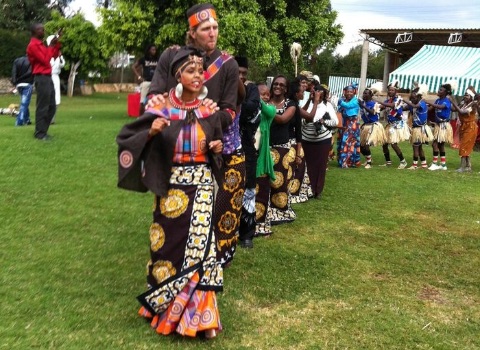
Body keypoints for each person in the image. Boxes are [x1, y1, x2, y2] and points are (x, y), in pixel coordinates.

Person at [116, 47, 231, 339]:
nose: (197, 76)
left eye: (200, 70)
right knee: (165, 249)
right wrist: (151, 132)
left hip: (203, 186)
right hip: (170, 188)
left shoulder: (210, 110)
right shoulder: (162, 106)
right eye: (190, 71)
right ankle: (165, 310)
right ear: (177, 74)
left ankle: (199, 320)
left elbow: (219, 149)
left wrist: (216, 149)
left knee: (202, 251)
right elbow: (127, 138)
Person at [146, 3, 242, 268]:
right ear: (192, 32)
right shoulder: (172, 56)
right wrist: (170, 114)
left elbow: (230, 112)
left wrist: (205, 120)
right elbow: (154, 96)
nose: (212, 33)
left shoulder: (228, 64)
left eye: (215, 27)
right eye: (205, 29)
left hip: (203, 153)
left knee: (200, 221)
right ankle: (166, 272)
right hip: (171, 151)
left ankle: (196, 275)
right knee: (167, 219)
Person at [236, 56, 260, 249]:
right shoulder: (221, 86)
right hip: (225, 147)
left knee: (248, 189)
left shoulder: (251, 89)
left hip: (245, 146)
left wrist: (233, 106)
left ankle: (247, 234)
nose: (241, 76)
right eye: (237, 72)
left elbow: (252, 109)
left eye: (244, 73)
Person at [301, 84, 338, 199]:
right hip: (306, 139)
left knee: (320, 166)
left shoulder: (328, 106)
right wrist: (309, 121)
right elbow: (300, 121)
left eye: (320, 96)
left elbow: (335, 122)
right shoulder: (305, 105)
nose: (318, 97)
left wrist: (324, 122)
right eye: (316, 94)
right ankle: (308, 189)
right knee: (307, 165)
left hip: (323, 140)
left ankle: (317, 190)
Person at [26, 23, 61, 140]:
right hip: (41, 77)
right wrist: (50, 46)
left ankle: (43, 131)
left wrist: (56, 43)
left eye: (43, 29)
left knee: (52, 106)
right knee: (43, 106)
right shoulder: (33, 45)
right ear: (34, 32)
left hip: (47, 77)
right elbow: (45, 60)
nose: (43, 31)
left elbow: (54, 55)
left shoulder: (41, 45)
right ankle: (39, 133)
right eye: (40, 29)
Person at [375, 83, 408, 169]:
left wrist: (379, 101)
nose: (390, 91)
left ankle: (403, 161)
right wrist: (375, 104)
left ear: (396, 91)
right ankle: (388, 162)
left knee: (393, 144)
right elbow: (380, 107)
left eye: (392, 90)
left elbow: (392, 106)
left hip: (397, 125)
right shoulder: (387, 101)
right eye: (389, 90)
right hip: (390, 125)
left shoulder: (399, 100)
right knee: (384, 143)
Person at [403, 86, 433, 170]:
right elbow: (404, 108)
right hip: (416, 128)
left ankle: (414, 165)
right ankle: (424, 164)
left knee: (415, 147)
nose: (412, 100)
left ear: (419, 97)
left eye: (414, 98)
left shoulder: (421, 103)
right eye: (411, 98)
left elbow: (415, 105)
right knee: (419, 147)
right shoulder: (413, 104)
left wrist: (404, 100)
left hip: (420, 129)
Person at [449, 87, 478, 172]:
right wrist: (453, 100)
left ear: (471, 97)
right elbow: (454, 109)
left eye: (467, 95)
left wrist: (453, 102)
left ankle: (462, 167)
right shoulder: (463, 103)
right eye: (465, 95)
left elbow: (462, 112)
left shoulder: (473, 104)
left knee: (464, 146)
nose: (465, 96)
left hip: (471, 127)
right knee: (466, 146)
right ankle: (468, 166)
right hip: (463, 126)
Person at [426, 83, 453, 170]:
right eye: (439, 89)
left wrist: (427, 101)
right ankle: (443, 164)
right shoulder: (438, 100)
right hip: (438, 125)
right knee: (441, 145)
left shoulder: (446, 101)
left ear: (445, 92)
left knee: (435, 144)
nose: (438, 91)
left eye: (441, 90)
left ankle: (434, 163)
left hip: (443, 126)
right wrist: (421, 106)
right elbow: (430, 109)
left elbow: (441, 107)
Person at [358, 88, 386, 169]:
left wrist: (362, 105)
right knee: (360, 145)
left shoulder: (375, 104)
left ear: (370, 95)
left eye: (366, 93)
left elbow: (372, 112)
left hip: (373, 125)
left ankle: (369, 163)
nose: (364, 95)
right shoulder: (362, 103)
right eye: (364, 93)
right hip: (366, 125)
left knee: (366, 143)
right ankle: (368, 159)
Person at [337, 84, 361, 168]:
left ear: (354, 92)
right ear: (344, 92)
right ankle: (346, 161)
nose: (349, 93)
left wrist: (340, 102)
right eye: (347, 92)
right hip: (344, 123)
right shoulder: (344, 100)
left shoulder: (356, 100)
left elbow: (348, 106)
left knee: (348, 141)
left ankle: (346, 162)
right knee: (342, 141)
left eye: (351, 92)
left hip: (352, 124)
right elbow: (339, 109)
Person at [132, 44, 159, 114]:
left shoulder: (158, 59)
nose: (154, 51)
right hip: (146, 82)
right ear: (149, 50)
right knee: (142, 101)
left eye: (155, 50)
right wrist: (139, 77)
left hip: (155, 82)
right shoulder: (143, 59)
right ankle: (140, 117)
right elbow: (134, 67)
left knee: (156, 100)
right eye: (153, 50)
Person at [46, 35, 65, 124]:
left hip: (55, 76)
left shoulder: (57, 53)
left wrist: (60, 57)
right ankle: (46, 118)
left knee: (56, 98)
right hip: (48, 76)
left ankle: (52, 118)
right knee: (48, 97)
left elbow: (62, 65)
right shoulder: (47, 52)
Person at [11, 55, 33, 126]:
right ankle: (19, 122)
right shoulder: (32, 61)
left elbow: (14, 73)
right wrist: (20, 78)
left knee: (24, 102)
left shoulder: (17, 61)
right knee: (24, 104)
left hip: (19, 85)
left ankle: (27, 119)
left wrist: (15, 82)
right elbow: (30, 72)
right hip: (27, 84)